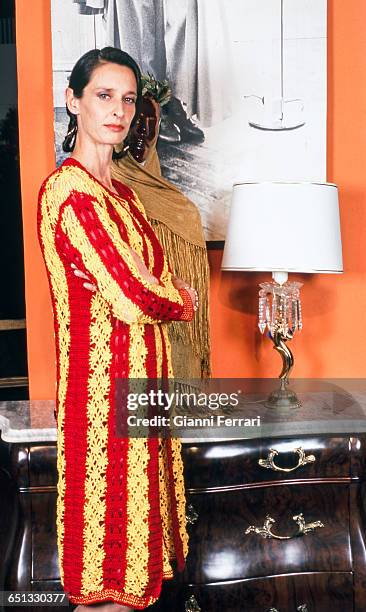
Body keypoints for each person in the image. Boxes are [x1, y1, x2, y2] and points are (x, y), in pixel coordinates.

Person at [38, 47, 198, 611]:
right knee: (107, 576)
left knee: (143, 569)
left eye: (127, 99)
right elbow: (134, 294)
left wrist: (164, 292)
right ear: (73, 101)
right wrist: (178, 297)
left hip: (145, 392)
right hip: (101, 397)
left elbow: (142, 281)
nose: (118, 110)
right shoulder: (70, 194)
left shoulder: (124, 196)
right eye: (104, 95)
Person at [111, 91, 211, 378]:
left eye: (150, 124)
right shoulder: (109, 188)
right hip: (132, 325)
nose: (142, 132)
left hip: (178, 312)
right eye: (136, 124)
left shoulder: (172, 198)